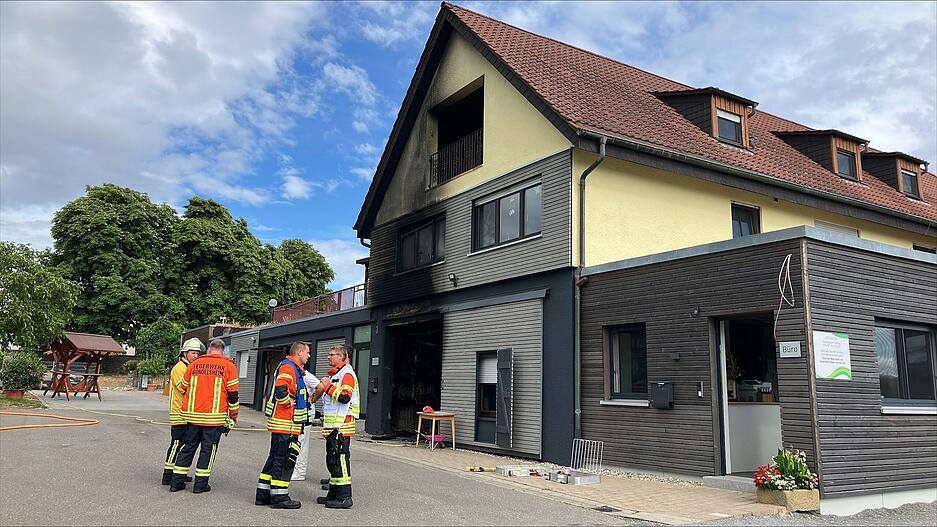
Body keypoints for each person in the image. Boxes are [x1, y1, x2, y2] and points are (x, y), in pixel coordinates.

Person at [169, 339, 239, 494]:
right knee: (208, 450)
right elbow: (233, 394)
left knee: (188, 448)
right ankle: (200, 485)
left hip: (193, 416)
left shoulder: (194, 364)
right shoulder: (229, 366)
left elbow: (183, 386)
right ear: (223, 351)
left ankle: (176, 482)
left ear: (209, 350)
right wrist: (233, 414)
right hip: (214, 418)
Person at [255, 341, 310, 509]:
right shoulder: (289, 367)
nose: (308, 356)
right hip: (286, 423)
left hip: (283, 423)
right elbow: (281, 389)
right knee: (284, 459)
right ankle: (279, 497)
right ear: (299, 353)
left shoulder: (292, 368)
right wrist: (288, 404)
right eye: (307, 352)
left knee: (274, 458)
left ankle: (263, 494)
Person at [314, 343, 359, 509]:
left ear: (341, 356)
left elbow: (345, 397)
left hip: (342, 427)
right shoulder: (337, 374)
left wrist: (327, 386)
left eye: (332, 354)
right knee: (333, 460)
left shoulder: (347, 374)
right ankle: (333, 494)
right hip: (334, 427)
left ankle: (344, 497)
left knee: (340, 461)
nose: (328, 357)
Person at [161, 337, 204, 485]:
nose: (196, 356)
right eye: (193, 353)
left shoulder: (189, 367)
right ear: (185, 353)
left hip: (187, 413)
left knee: (185, 445)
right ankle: (167, 475)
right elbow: (184, 388)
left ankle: (178, 473)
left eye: (197, 353)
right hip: (179, 413)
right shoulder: (180, 368)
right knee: (176, 444)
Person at [290, 366, 319, 482]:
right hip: (299, 413)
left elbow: (321, 387)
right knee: (296, 442)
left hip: (306, 413)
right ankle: (294, 469)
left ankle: (300, 472)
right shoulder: (297, 375)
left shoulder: (306, 376)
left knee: (302, 443)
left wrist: (312, 399)